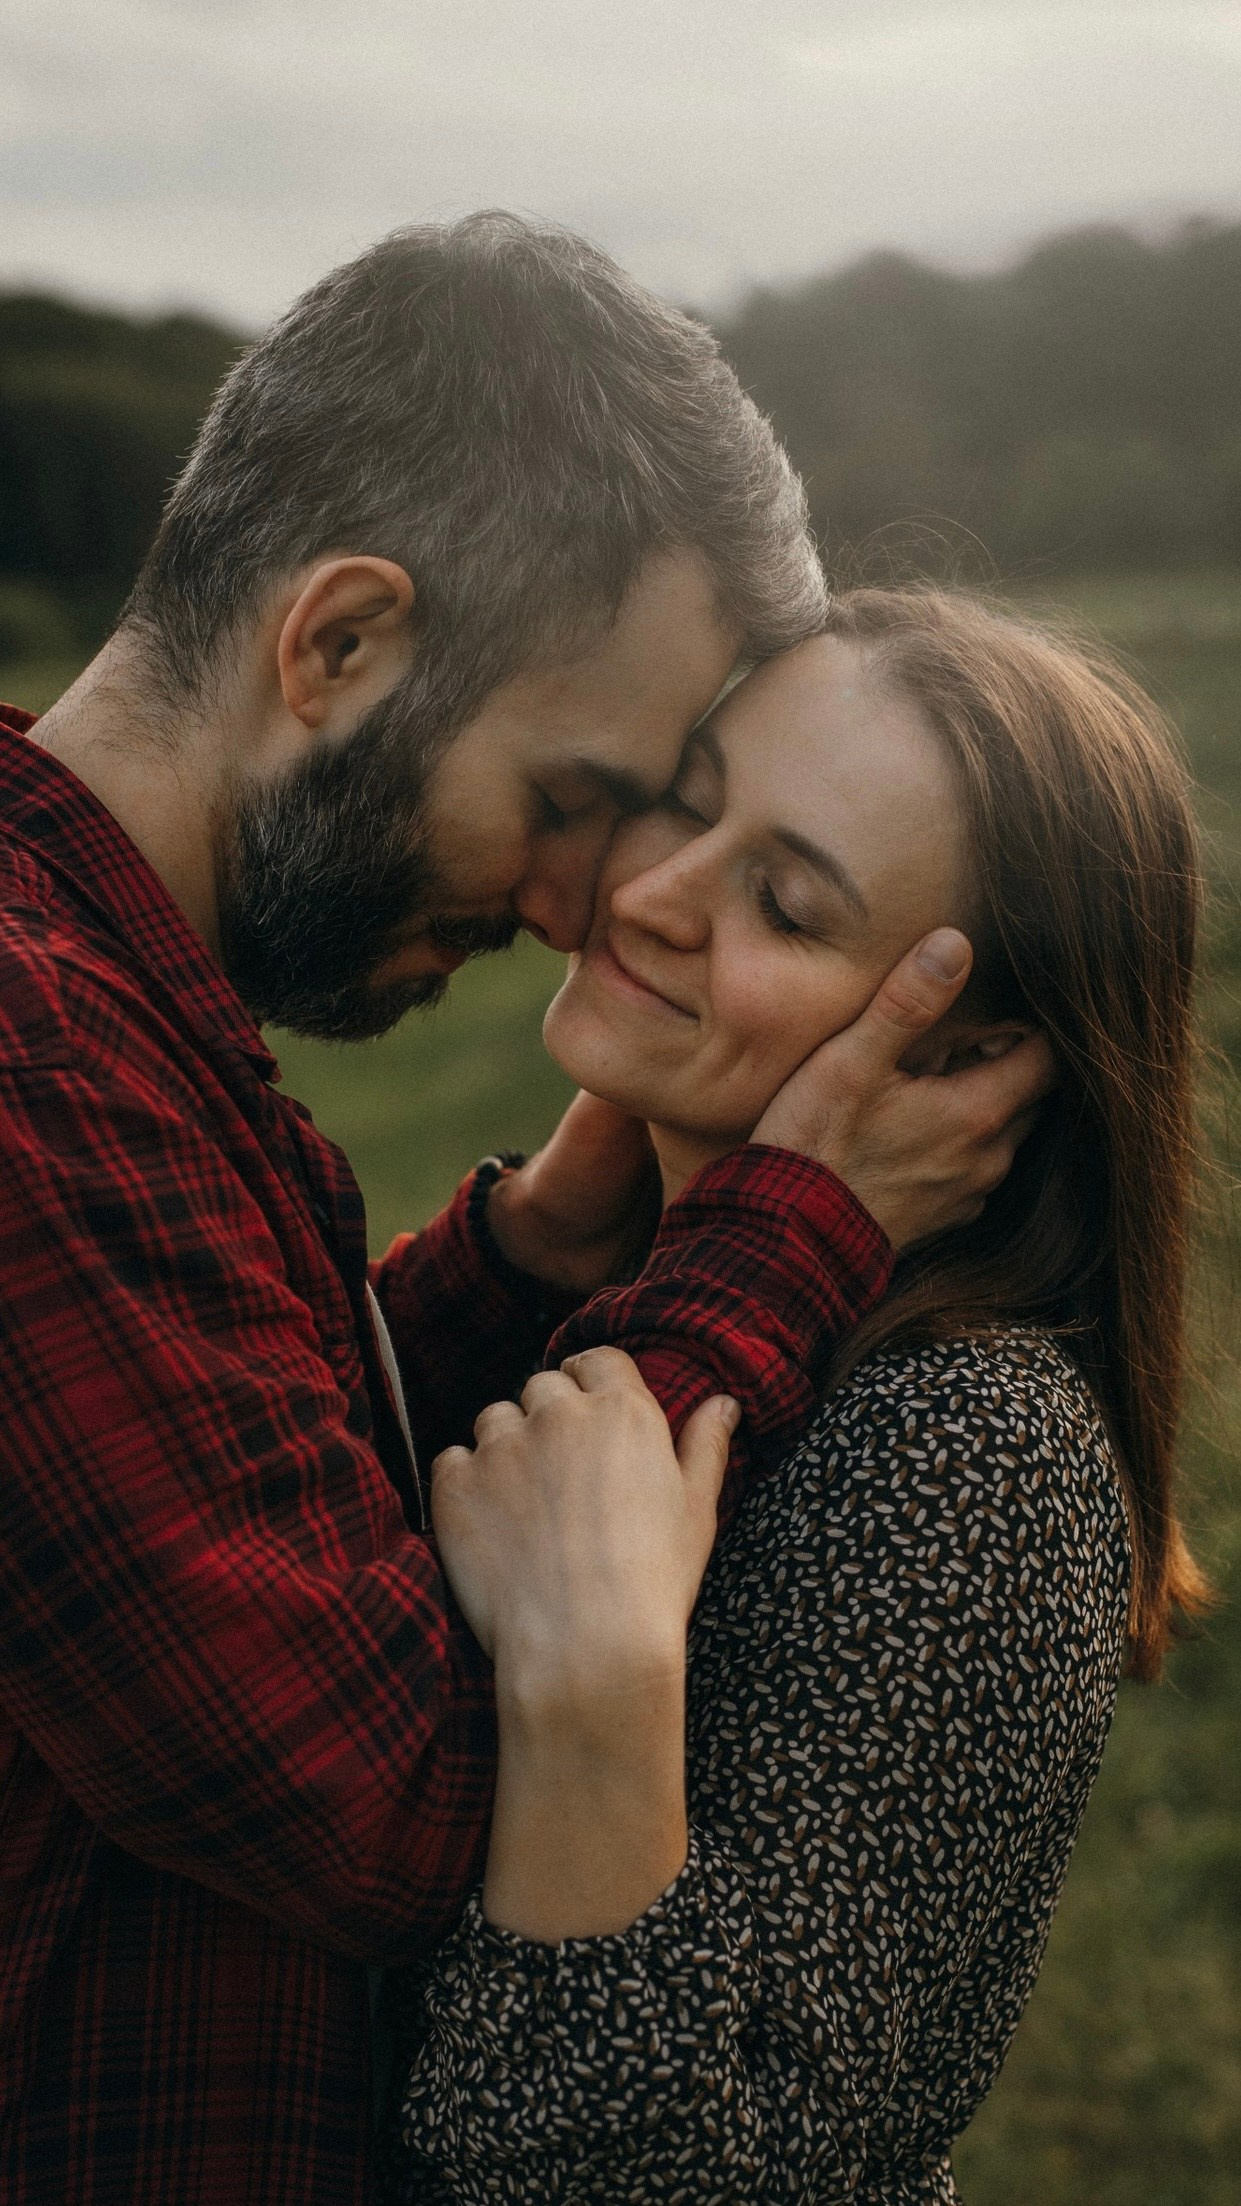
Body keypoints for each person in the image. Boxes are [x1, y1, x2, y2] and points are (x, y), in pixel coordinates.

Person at [0, 222, 1049, 2206]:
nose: (588, 895)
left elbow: (241, 1479)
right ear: (342, 646)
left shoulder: (98, 1010)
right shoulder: (30, 1052)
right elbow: (391, 1793)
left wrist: (526, 1265)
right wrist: (788, 1234)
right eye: (577, 794)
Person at [388, 588, 1212, 2203]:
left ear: (961, 1054)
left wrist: (596, 1702)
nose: (657, 893)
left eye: (783, 899)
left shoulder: (968, 1452)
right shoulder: (628, 1287)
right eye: (685, 801)